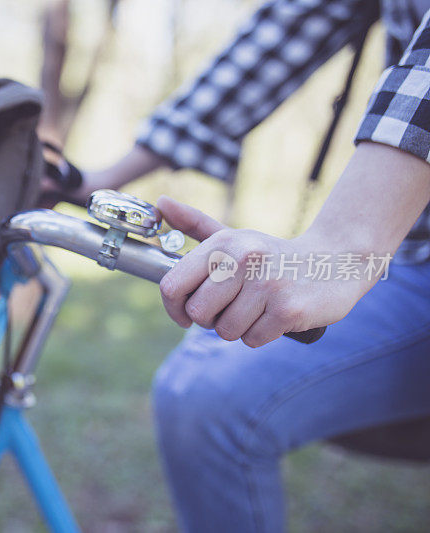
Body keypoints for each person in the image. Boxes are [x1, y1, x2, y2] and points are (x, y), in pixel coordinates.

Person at [45, 1, 430, 531]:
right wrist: (110, 176)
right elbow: (287, 30)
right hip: (410, 259)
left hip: (377, 249)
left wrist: (344, 246)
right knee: (202, 394)